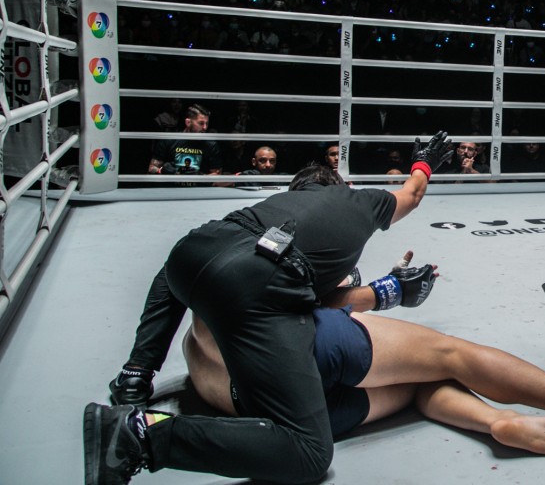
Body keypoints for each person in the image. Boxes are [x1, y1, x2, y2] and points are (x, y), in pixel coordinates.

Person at [84, 132, 454, 484]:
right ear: (343, 186)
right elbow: (413, 194)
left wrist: (385, 290)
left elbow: (313, 298)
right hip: (256, 293)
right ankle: (142, 435)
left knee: (178, 266)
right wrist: (424, 163)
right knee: (308, 453)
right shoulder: (360, 200)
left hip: (195, 251)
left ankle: (136, 372)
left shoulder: (277, 205)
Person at [181, 271, 545, 457]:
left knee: (416, 382)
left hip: (276, 416)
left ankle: (499, 422)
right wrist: (387, 289)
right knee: (450, 355)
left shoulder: (198, 329)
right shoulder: (289, 249)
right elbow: (329, 297)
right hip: (299, 355)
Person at [147, 104, 223, 178]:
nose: (205, 127)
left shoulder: (211, 144)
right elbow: (151, 168)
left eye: (207, 123)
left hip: (199, 189)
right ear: (188, 122)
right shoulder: (169, 140)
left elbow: (217, 176)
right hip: (171, 189)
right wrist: (163, 171)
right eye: (201, 123)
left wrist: (199, 176)